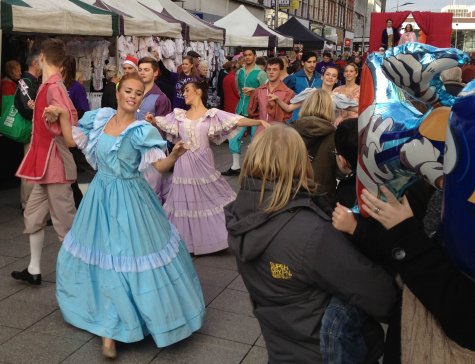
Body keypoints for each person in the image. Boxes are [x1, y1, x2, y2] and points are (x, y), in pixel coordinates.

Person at [53, 73, 205, 359]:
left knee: (125, 257)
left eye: (138, 92)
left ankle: (116, 329)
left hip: (131, 198)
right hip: (99, 196)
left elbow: (159, 167)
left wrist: (176, 155)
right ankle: (108, 325)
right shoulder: (101, 118)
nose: (132, 96)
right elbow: (73, 141)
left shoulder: (141, 130)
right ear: (119, 92)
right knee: (101, 255)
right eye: (128, 91)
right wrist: (62, 113)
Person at [225, 124, 397, 364]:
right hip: (325, 351)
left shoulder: (240, 215)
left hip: (281, 345)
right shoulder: (309, 233)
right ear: (299, 163)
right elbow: (380, 296)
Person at [148, 80, 269, 255]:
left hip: (203, 162)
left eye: (188, 90)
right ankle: (186, 242)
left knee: (212, 195)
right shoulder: (179, 115)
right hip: (183, 162)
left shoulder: (212, 114)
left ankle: (220, 235)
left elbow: (236, 120)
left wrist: (258, 123)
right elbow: (162, 122)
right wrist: (152, 121)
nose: (185, 94)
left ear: (199, 92)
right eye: (184, 91)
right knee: (184, 200)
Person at [11, 38, 78, 286]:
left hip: (55, 164)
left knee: (65, 224)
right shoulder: (49, 86)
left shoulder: (53, 87)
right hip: (45, 165)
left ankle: (78, 275)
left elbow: (71, 121)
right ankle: (34, 269)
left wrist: (56, 115)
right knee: (33, 215)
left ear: (41, 58)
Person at [222, 47, 268, 176]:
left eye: (250, 55)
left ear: (254, 56)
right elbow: (238, 89)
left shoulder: (261, 73)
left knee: (256, 140)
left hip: (256, 112)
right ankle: (235, 166)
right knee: (233, 137)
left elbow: (266, 91)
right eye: (245, 55)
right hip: (241, 109)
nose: (247, 57)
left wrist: (254, 91)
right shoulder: (239, 72)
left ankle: (255, 168)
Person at [292, 89, 337, 204]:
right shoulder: (336, 136)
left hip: (292, 194)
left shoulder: (290, 131)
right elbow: (340, 172)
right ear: (329, 108)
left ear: (306, 104)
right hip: (322, 197)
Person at [137, 56, 172, 203]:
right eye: (140, 70)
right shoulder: (133, 93)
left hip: (152, 150)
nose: (142, 73)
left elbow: (166, 128)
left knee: (152, 191)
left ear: (155, 73)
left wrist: (153, 124)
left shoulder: (161, 98)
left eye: (146, 70)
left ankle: (155, 223)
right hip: (132, 148)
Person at [14, 51, 42, 211]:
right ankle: (28, 204)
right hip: (31, 129)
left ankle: (29, 203)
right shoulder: (26, 81)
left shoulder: (32, 81)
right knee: (30, 166)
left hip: (34, 129)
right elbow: (27, 107)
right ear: (35, 63)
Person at [61, 55, 89, 208]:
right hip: (56, 135)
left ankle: (79, 204)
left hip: (70, 134)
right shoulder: (54, 85)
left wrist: (66, 116)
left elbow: (84, 110)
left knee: (69, 174)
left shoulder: (76, 87)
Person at [247, 58, 295, 133]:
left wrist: (274, 106)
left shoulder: (288, 93)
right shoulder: (259, 90)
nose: (271, 72)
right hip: (261, 132)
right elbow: (251, 112)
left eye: (275, 69)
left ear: (281, 71)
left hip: (279, 133)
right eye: (269, 69)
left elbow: (286, 117)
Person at [284, 51, 322, 121]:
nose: (312, 65)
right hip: (296, 117)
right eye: (309, 62)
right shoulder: (294, 78)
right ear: (302, 63)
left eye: (314, 62)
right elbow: (284, 95)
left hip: (315, 118)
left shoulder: (320, 78)